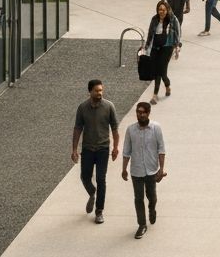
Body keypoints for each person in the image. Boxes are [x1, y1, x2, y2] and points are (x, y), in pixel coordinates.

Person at [71, 79, 120, 224]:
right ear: (90, 91)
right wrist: (74, 149)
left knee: (101, 179)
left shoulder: (109, 106)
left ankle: (99, 211)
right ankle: (92, 193)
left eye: (101, 90)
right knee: (84, 177)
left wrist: (116, 147)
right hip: (87, 149)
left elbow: (115, 128)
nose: (100, 93)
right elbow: (77, 128)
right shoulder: (82, 108)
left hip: (103, 149)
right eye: (97, 91)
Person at [121, 101, 167, 239]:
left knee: (151, 196)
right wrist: (124, 169)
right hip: (136, 171)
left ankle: (152, 209)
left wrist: (161, 169)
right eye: (138, 112)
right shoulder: (130, 130)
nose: (140, 115)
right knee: (138, 198)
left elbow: (161, 149)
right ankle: (142, 224)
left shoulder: (156, 128)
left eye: (143, 112)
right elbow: (126, 151)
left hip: (152, 170)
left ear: (148, 113)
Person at [145, 0, 182, 102]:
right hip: (156, 47)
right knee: (159, 71)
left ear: (167, 10)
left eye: (164, 10)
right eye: (159, 9)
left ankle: (156, 94)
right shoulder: (154, 19)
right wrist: (147, 46)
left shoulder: (173, 19)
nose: (161, 12)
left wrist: (178, 46)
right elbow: (150, 33)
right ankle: (164, 88)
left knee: (160, 71)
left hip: (167, 47)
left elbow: (178, 33)